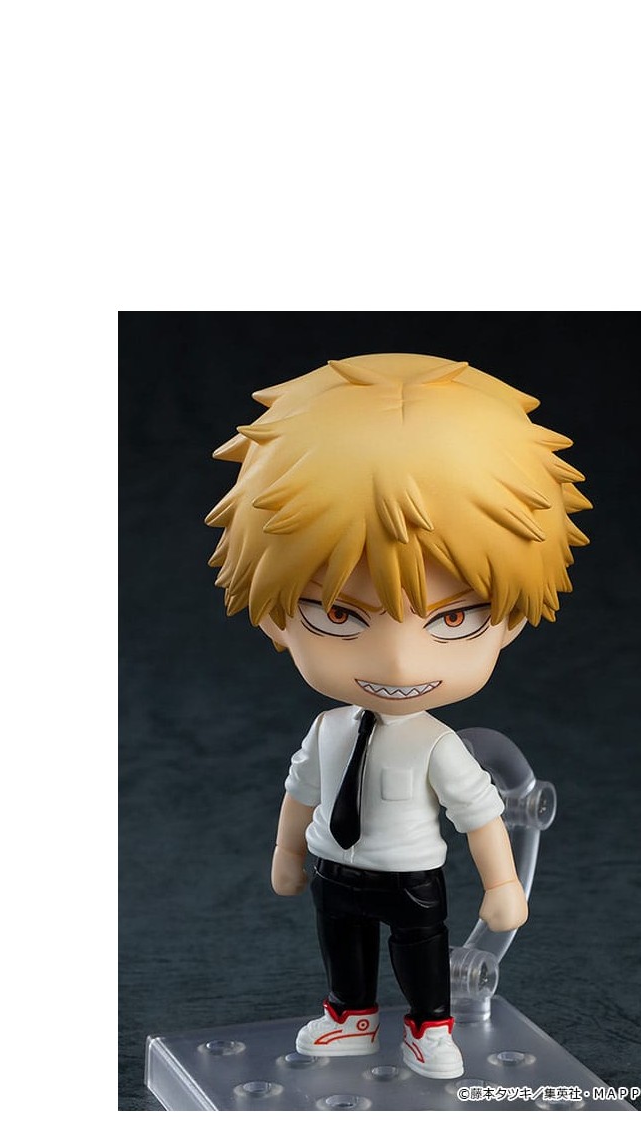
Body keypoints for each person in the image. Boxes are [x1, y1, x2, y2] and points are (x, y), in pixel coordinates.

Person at [206, 353, 590, 1079]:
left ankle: (430, 1026)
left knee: (420, 951)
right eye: (340, 615)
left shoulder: (439, 744)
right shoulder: (328, 730)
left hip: (411, 875)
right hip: (333, 864)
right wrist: (288, 853)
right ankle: (348, 1018)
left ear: (509, 620)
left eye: (454, 619)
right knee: (342, 946)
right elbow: (301, 791)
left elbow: (482, 815)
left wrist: (503, 886)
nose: (400, 664)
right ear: (274, 615)